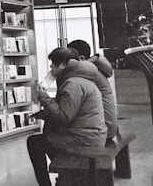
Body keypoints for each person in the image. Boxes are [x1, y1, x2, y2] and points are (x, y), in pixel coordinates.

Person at [27, 47, 107, 186]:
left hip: (84, 140)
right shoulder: (80, 79)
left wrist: (44, 98)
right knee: (45, 136)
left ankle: (54, 181)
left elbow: (64, 117)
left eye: (53, 64)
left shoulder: (73, 84)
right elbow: (70, 110)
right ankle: (66, 175)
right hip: (90, 135)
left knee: (34, 142)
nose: (51, 68)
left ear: (63, 65)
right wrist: (43, 114)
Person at [67, 39, 118, 139]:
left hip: (100, 130)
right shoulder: (94, 70)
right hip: (106, 126)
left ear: (81, 59)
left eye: (69, 58)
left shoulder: (86, 74)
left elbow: (70, 108)